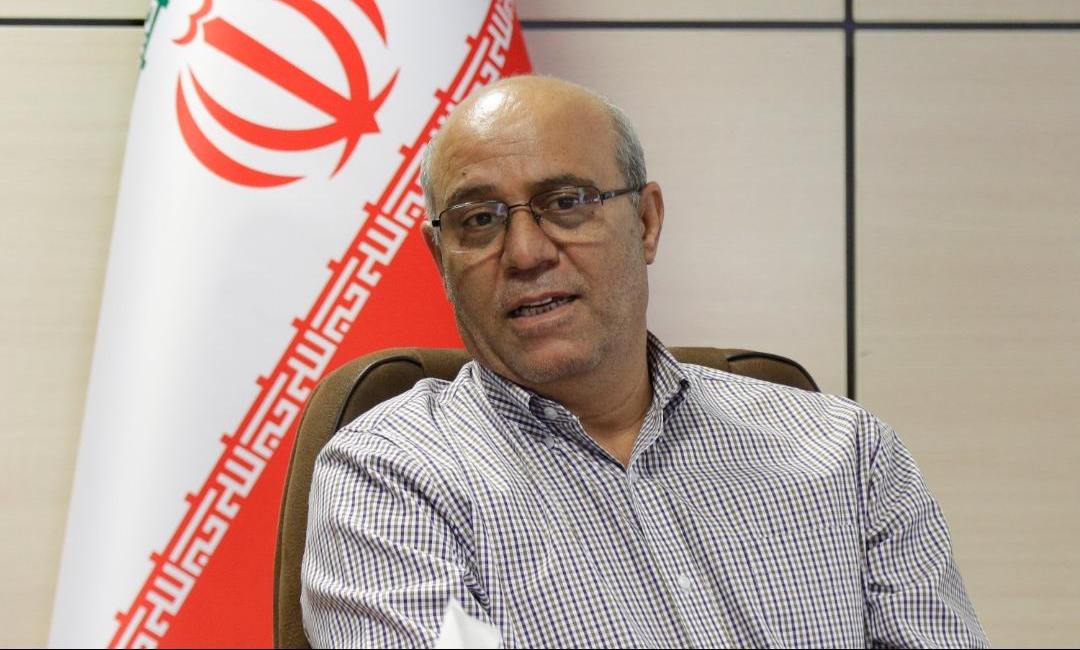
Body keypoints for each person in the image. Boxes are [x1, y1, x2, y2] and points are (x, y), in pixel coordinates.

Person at [301, 75, 988, 648]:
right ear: (440, 259)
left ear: (647, 222)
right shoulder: (391, 479)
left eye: (566, 203)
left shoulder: (848, 455)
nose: (526, 253)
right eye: (479, 219)